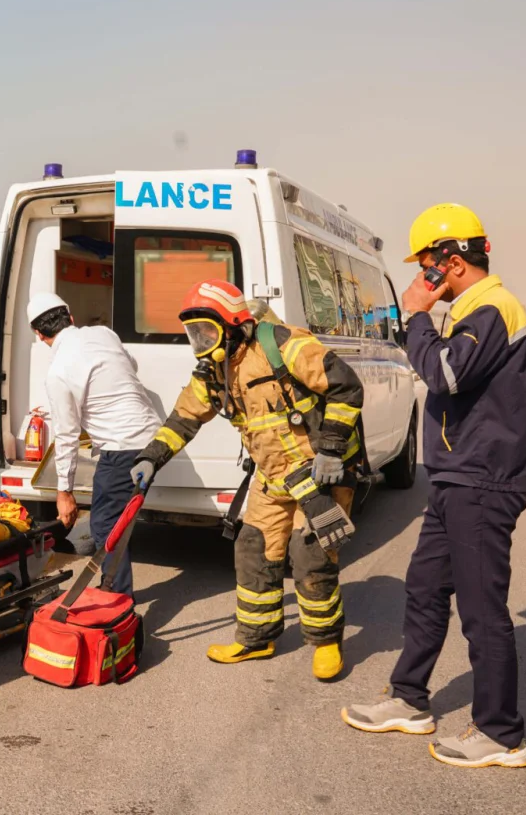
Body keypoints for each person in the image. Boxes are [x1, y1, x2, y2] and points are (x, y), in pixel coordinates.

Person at [342, 203, 526, 769]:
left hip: (482, 480)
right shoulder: (477, 307)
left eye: (425, 262)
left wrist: (417, 317)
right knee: (425, 589)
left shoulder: (493, 307)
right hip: (455, 477)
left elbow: (445, 374)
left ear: (448, 262)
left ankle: (502, 734)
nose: (422, 274)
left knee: (481, 611)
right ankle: (409, 699)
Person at [131, 280, 364, 680]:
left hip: (318, 476)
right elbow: (184, 418)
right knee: (254, 549)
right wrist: (152, 457)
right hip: (273, 479)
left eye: (207, 330)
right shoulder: (215, 372)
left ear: (234, 324)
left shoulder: (285, 346)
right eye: (194, 333)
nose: (200, 341)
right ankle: (257, 639)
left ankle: (326, 642)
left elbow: (347, 388)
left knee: (311, 557)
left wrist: (329, 450)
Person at [28, 292, 159, 597]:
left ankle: (116, 596)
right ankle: (115, 587)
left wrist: (65, 492)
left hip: (122, 447)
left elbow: (67, 437)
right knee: (121, 519)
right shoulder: (103, 333)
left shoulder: (58, 371)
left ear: (38, 334)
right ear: (70, 317)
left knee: (104, 525)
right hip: (155, 440)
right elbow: (128, 368)